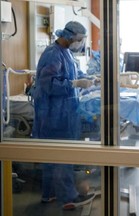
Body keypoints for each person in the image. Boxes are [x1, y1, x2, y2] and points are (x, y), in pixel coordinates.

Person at [32, 21, 96, 210]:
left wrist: (90, 80)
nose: (80, 43)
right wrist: (75, 85)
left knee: (53, 156)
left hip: (63, 112)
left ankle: (50, 193)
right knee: (62, 155)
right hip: (54, 114)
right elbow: (49, 85)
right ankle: (68, 197)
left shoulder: (65, 52)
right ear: (69, 37)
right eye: (79, 39)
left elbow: (73, 74)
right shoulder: (53, 54)